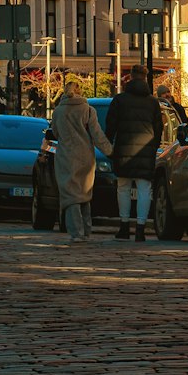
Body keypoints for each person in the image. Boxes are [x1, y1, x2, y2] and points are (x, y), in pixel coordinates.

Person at [105, 65, 163, 242]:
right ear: (145, 78)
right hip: (146, 150)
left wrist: (109, 147)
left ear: (130, 77)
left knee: (123, 187)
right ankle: (140, 228)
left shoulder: (120, 100)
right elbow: (159, 127)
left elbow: (111, 125)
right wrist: (153, 146)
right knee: (144, 188)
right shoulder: (153, 102)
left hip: (124, 148)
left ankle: (124, 225)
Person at [50, 82, 112, 244]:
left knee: (71, 194)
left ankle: (76, 231)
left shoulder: (58, 111)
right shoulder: (88, 110)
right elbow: (97, 134)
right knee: (84, 193)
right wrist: (110, 152)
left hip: (66, 155)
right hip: (85, 155)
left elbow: (55, 133)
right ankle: (86, 229)